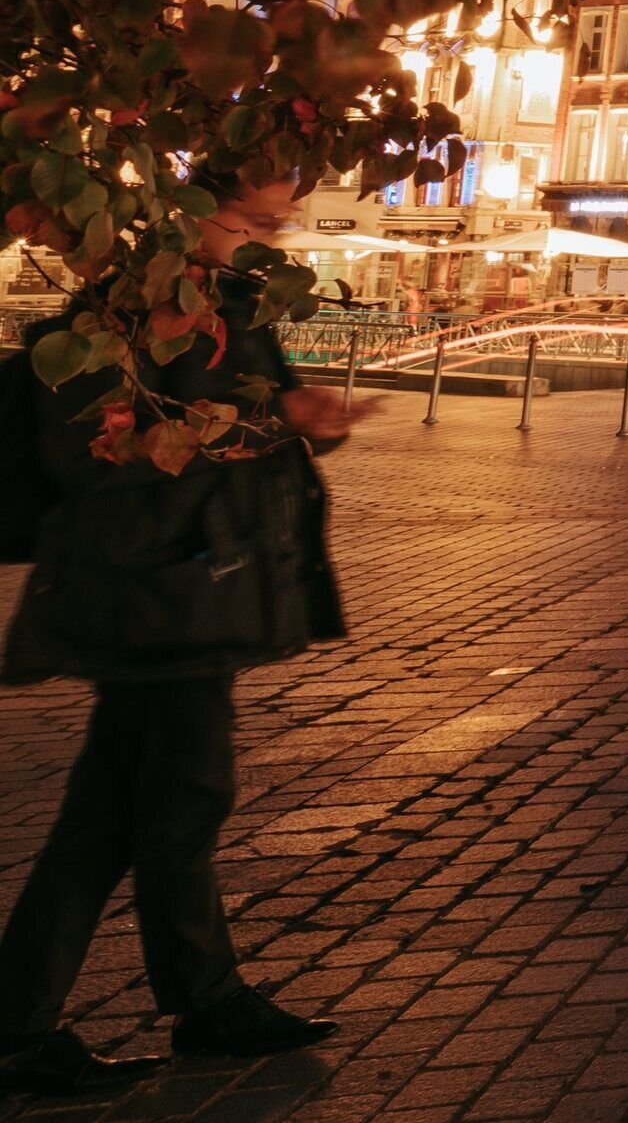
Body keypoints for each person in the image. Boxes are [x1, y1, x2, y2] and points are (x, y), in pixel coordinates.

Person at [0, 173, 361, 1094]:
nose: (263, 237)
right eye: (249, 219)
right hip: (157, 595)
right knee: (162, 804)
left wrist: (300, 426)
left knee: (142, 809)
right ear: (183, 210)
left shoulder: (224, 304)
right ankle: (62, 1019)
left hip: (191, 588)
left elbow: (235, 429)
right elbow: (97, 452)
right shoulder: (125, 314)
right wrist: (275, 419)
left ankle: (195, 999)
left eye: (277, 221)